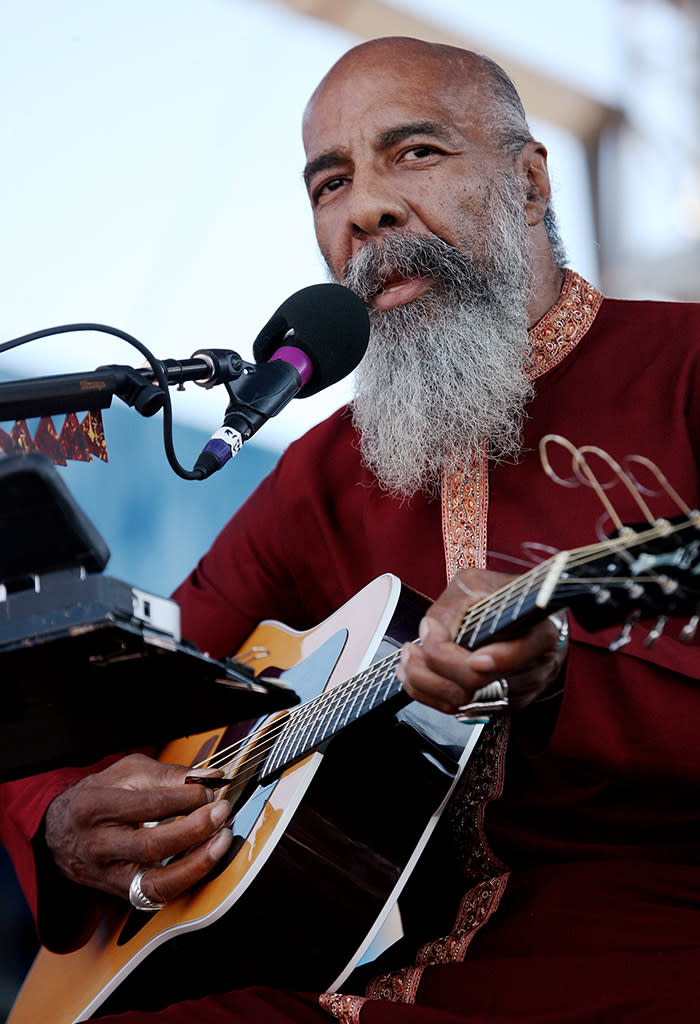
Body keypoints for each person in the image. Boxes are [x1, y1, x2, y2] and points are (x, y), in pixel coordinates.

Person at [2, 35, 700, 1024]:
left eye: (414, 153)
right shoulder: (328, 469)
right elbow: (108, 694)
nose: (364, 207)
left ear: (530, 182)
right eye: (330, 183)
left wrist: (566, 687)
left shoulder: (682, 369)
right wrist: (66, 819)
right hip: (359, 982)